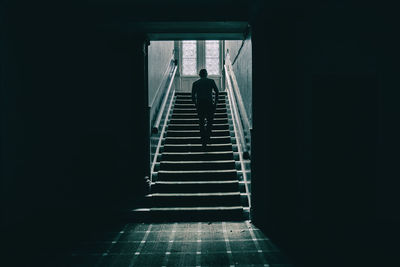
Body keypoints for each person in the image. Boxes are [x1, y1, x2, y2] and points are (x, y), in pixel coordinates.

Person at [191, 69, 219, 149]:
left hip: (200, 105)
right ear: (206, 74)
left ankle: (203, 140)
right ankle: (208, 137)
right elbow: (217, 92)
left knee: (201, 122)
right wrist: (215, 102)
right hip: (209, 104)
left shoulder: (195, 83)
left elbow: (192, 96)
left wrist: (195, 104)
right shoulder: (211, 81)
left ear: (199, 75)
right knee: (210, 122)